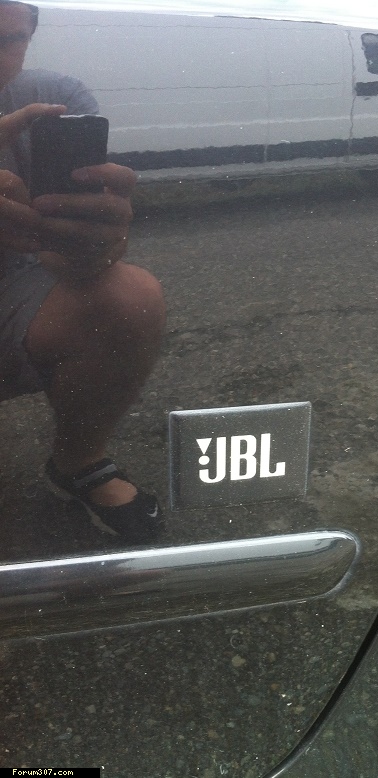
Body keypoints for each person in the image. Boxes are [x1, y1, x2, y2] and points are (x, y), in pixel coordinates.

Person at [0, 0, 166, 542]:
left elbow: (77, 243)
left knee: (128, 296)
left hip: (13, 281)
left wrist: (87, 250)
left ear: (29, 37)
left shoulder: (56, 100)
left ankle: (78, 460)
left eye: (7, 40)